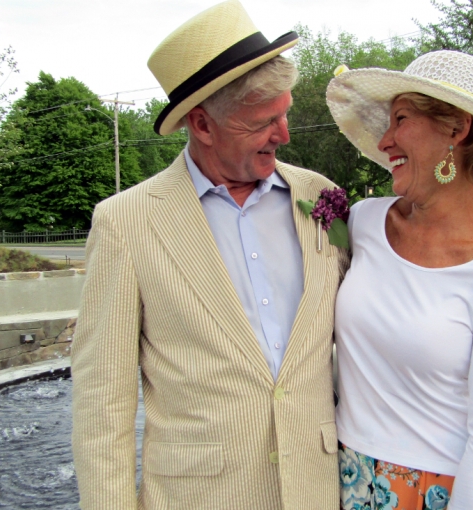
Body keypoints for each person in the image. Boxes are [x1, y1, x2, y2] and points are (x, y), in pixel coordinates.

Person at [70, 1, 348, 508]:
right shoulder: (125, 223)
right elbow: (102, 403)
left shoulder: (323, 198)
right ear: (202, 124)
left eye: (285, 114)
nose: (284, 135)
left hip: (319, 490)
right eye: (264, 121)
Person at [326, 51, 473, 510]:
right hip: (339, 475)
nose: (385, 140)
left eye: (401, 119)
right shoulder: (364, 222)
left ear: (457, 129)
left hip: (431, 493)